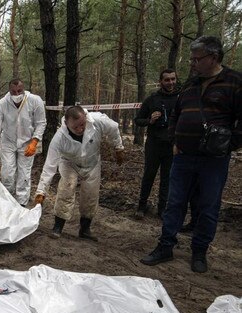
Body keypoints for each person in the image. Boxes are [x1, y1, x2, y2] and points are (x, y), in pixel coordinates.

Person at [140, 36, 242, 273]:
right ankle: (165, 246)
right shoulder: (190, 83)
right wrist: (175, 139)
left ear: (213, 58)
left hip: (214, 160)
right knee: (174, 202)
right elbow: (176, 113)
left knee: (208, 205)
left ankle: (199, 251)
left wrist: (229, 145)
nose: (192, 63)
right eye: (191, 59)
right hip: (183, 156)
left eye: (197, 59)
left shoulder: (234, 82)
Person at [34, 106, 125, 241]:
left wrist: (118, 147)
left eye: (82, 124)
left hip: (92, 163)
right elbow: (49, 166)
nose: (80, 129)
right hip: (69, 163)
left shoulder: (98, 120)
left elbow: (113, 128)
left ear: (85, 118)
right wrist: (41, 192)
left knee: (90, 195)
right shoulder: (59, 138)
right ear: (66, 123)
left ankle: (85, 229)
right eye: (75, 127)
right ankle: (58, 226)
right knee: (66, 189)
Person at [0, 78, 46, 206]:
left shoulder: (35, 101)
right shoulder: (2, 104)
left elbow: (41, 123)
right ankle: (8, 202)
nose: (17, 94)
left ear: (23, 89)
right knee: (7, 173)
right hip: (8, 141)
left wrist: (35, 141)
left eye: (19, 91)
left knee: (24, 174)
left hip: (27, 142)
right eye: (13, 92)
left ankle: (21, 205)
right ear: (9, 91)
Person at [134, 69, 180, 219]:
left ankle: (162, 210)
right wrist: (150, 120)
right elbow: (138, 120)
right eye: (167, 80)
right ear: (161, 82)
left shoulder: (180, 98)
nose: (170, 82)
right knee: (149, 175)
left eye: (173, 79)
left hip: (171, 145)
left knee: (167, 178)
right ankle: (141, 207)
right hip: (154, 144)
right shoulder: (152, 99)